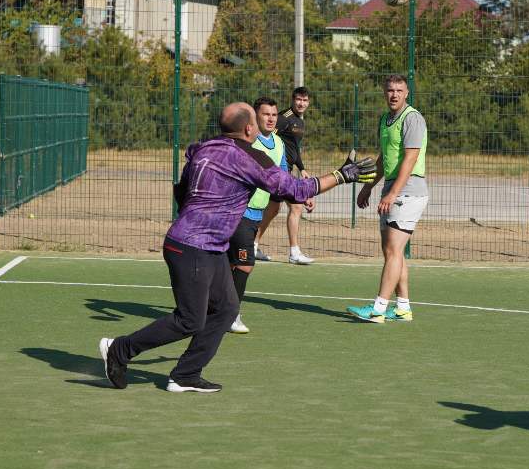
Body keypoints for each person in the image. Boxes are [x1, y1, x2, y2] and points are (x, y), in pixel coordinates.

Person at [97, 103, 372, 393]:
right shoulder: (250, 157)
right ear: (249, 129)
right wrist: (342, 175)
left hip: (202, 244)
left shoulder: (203, 148)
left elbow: (181, 192)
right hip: (193, 247)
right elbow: (295, 190)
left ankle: (185, 374)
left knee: (227, 308)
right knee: (189, 319)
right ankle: (119, 349)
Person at [347, 75, 428, 324]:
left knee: (393, 250)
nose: (394, 94)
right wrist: (369, 186)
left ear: (407, 93)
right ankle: (403, 307)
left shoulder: (412, 118)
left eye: (399, 90)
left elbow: (410, 158)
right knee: (392, 251)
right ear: (385, 93)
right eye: (390, 90)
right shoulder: (385, 119)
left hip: (408, 190)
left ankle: (378, 309)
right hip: (392, 189)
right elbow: (384, 158)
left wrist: (393, 193)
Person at [227, 96, 288, 334]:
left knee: (231, 264)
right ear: (255, 116)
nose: (271, 118)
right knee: (244, 264)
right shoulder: (246, 142)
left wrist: (302, 194)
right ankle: (231, 315)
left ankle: (217, 309)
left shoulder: (279, 144)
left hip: (256, 216)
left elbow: (283, 177)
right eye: (266, 114)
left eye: (274, 114)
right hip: (238, 211)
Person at [258, 86, 315, 265]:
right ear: (292, 99)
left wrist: (302, 168)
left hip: (287, 170)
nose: (301, 103)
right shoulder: (283, 119)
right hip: (278, 172)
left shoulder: (300, 121)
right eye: (299, 99)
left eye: (305, 100)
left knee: (273, 209)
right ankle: (294, 252)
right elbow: (267, 138)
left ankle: (252, 244)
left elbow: (293, 147)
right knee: (297, 207)